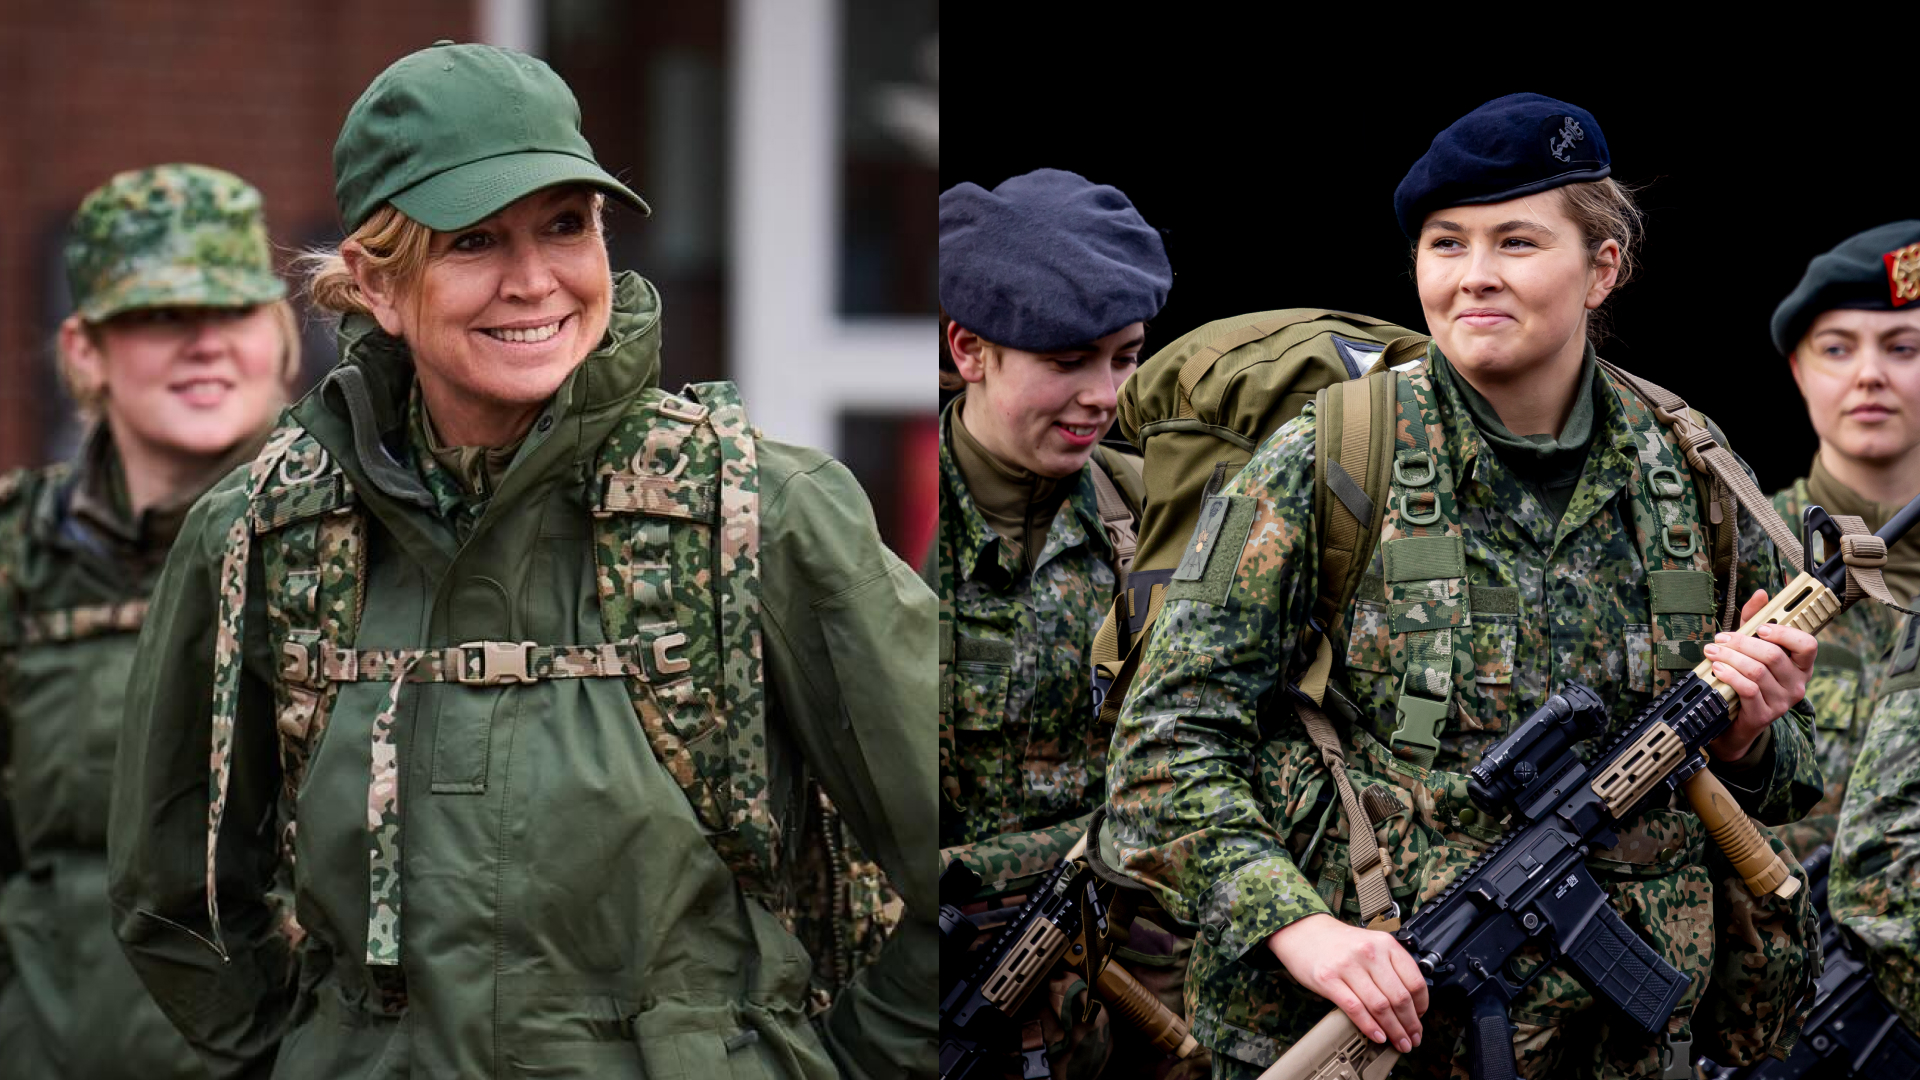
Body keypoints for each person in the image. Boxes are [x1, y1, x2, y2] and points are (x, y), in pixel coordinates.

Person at [106, 42, 935, 1080]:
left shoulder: (763, 511)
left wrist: (830, 1065)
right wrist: (328, 1054)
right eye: (475, 241)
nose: (536, 280)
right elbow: (175, 901)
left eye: (565, 225)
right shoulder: (261, 535)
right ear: (375, 282)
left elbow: (954, 865)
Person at [1106, 93, 1826, 1078]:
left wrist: (1750, 733)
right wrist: (1300, 929)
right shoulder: (1331, 456)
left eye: (1518, 242)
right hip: (1392, 1035)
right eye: (1446, 246)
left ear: (1602, 268)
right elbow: (1166, 741)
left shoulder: (1690, 468)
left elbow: (1794, 771)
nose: (1475, 277)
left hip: (1627, 1049)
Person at [0, 164, 298, 1079]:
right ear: (85, 350)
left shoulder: (358, 540)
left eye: (236, 311)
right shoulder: (20, 561)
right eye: (163, 315)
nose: (205, 344)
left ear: (281, 339)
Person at [937, 169, 1204, 1080]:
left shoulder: (1162, 518)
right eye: (1067, 361)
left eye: (1125, 358)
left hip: (1133, 1013)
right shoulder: (862, 524)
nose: (1104, 395)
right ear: (970, 350)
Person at [1768, 221, 1920, 862]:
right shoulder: (1739, 548)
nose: (1868, 376)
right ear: (1799, 370)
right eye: (1836, 349)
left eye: (1903, 348)